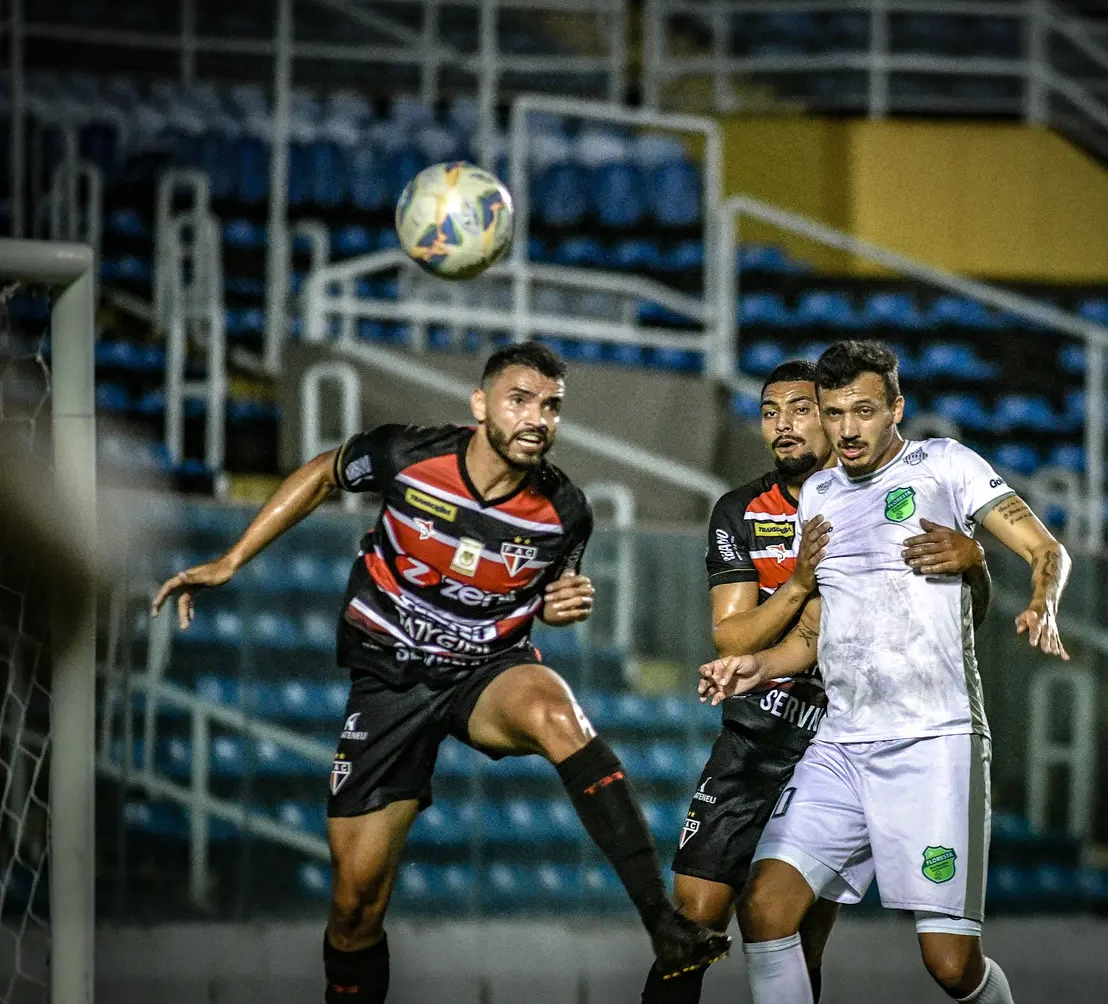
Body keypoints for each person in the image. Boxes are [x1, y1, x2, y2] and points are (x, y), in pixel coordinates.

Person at [152, 342, 731, 1004]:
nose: (536, 418)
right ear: (480, 404)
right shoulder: (409, 454)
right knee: (354, 906)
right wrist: (230, 561)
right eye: (519, 400)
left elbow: (548, 594)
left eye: (551, 406)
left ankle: (662, 923)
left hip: (486, 670)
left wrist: (561, 605)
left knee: (557, 714)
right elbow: (322, 473)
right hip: (389, 681)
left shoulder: (567, 510)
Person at [699, 340, 1072, 1004]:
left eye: (863, 412)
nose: (846, 429)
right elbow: (820, 627)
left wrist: (1040, 597)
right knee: (765, 908)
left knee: (951, 966)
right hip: (841, 745)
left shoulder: (945, 467)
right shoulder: (818, 493)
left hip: (935, 743)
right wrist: (753, 667)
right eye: (835, 412)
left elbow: (1046, 549)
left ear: (897, 408)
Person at [642, 359, 992, 1004]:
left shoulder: (889, 497)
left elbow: (953, 611)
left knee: (795, 932)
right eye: (771, 412)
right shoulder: (741, 510)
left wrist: (977, 562)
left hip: (848, 732)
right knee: (692, 917)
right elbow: (732, 637)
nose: (784, 426)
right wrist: (800, 582)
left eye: (802, 409)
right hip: (760, 730)